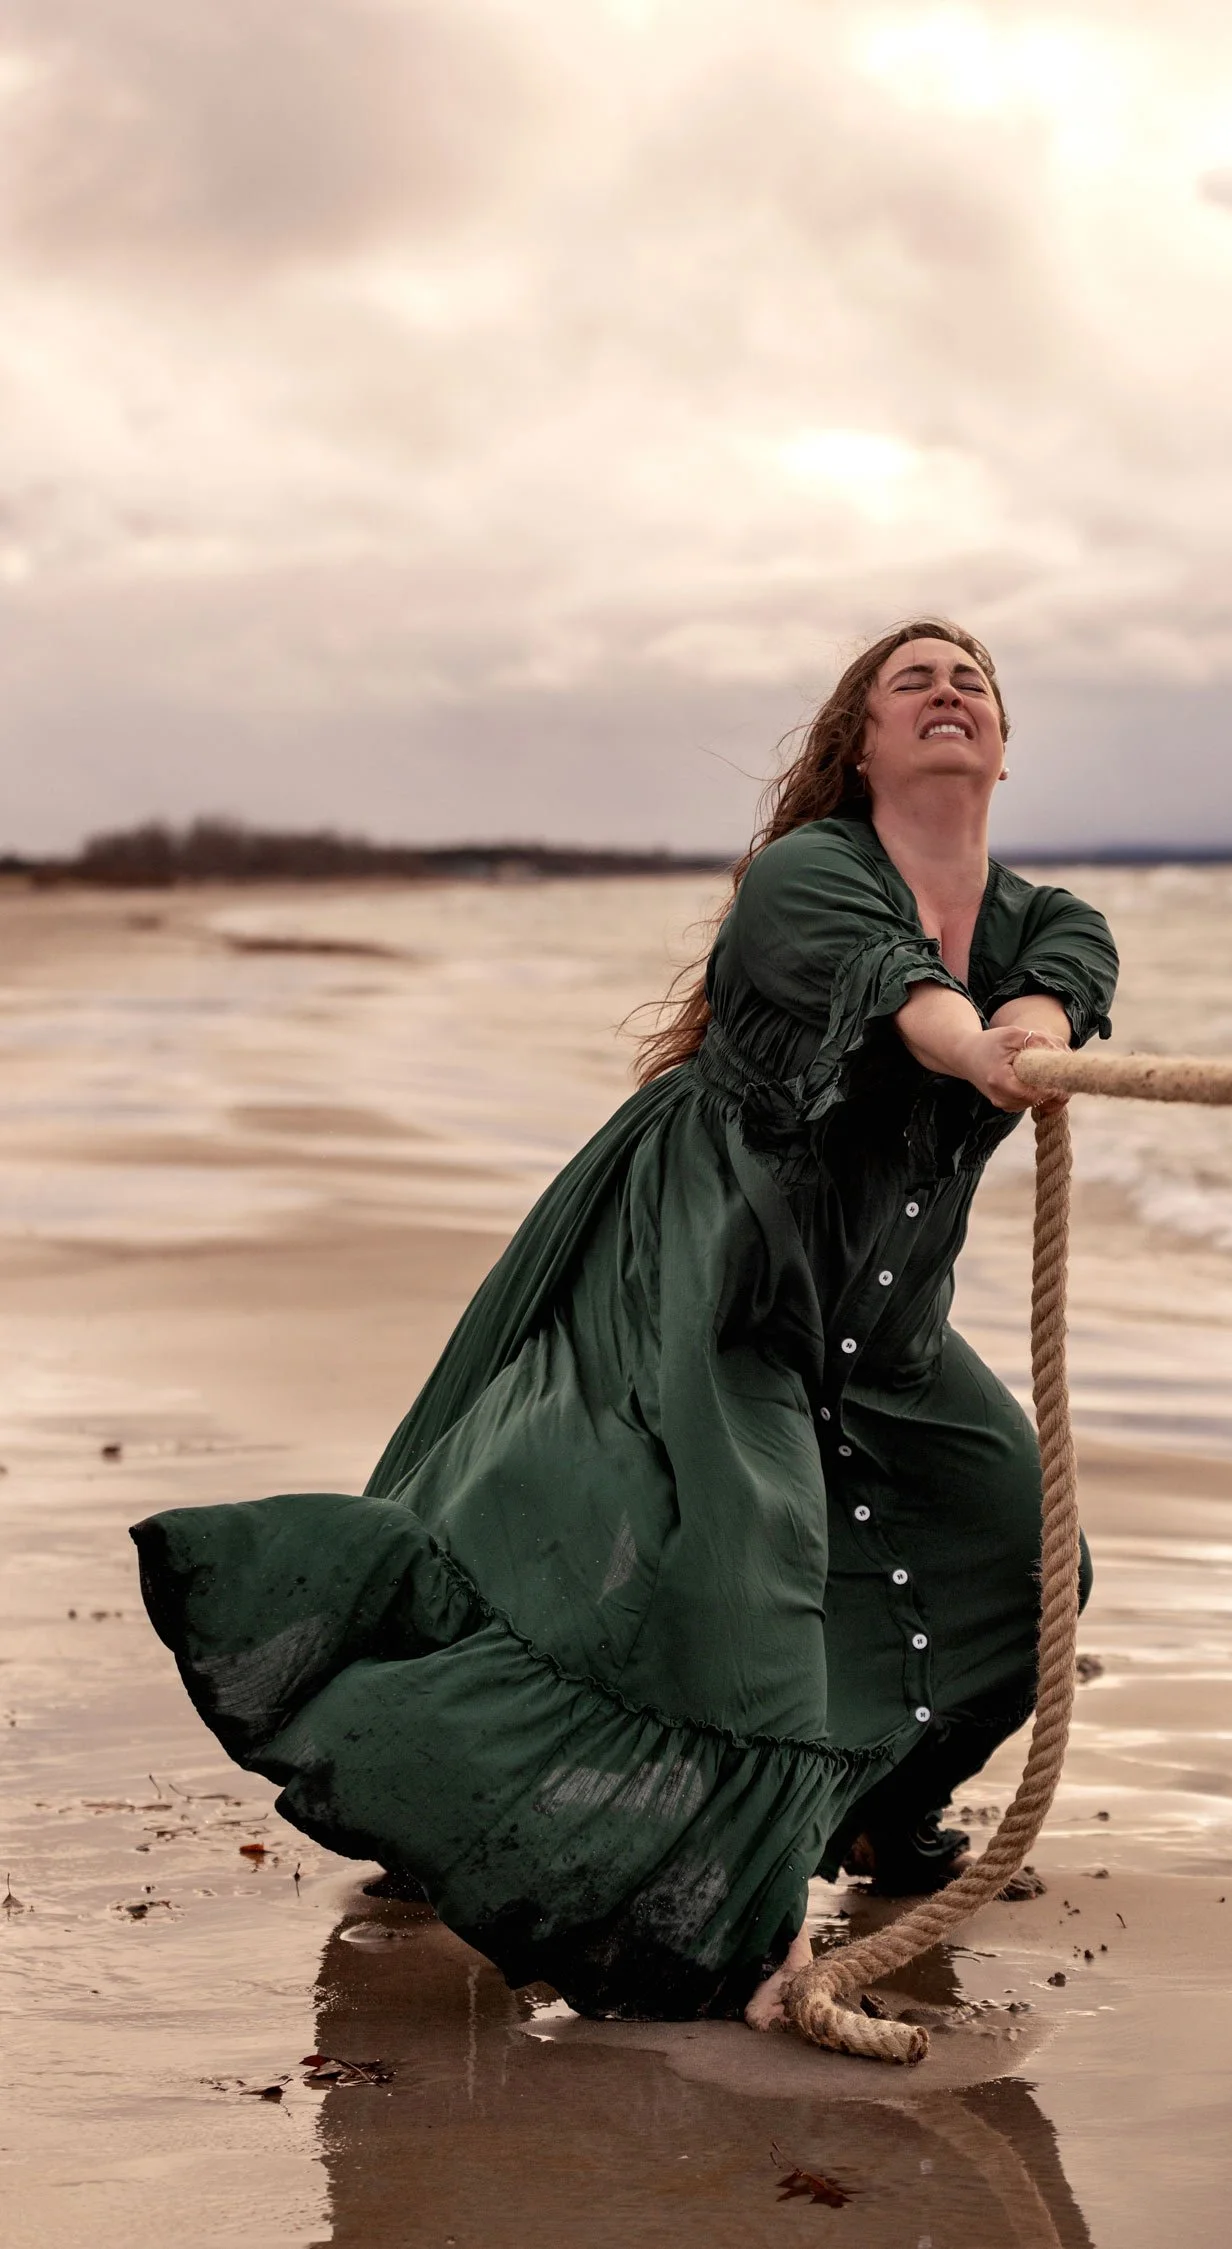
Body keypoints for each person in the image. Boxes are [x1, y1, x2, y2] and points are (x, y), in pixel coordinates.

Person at [132, 618, 1117, 2032]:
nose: (951, 691)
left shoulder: (1054, 914)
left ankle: (888, 1812)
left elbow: (1048, 982)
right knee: (723, 1554)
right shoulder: (807, 875)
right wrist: (976, 1043)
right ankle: (672, 1895)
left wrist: (1025, 1021)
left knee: (1035, 1553)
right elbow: (909, 999)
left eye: (975, 682)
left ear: (1004, 748)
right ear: (863, 744)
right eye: (916, 681)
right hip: (712, 1260)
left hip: (875, 1322)